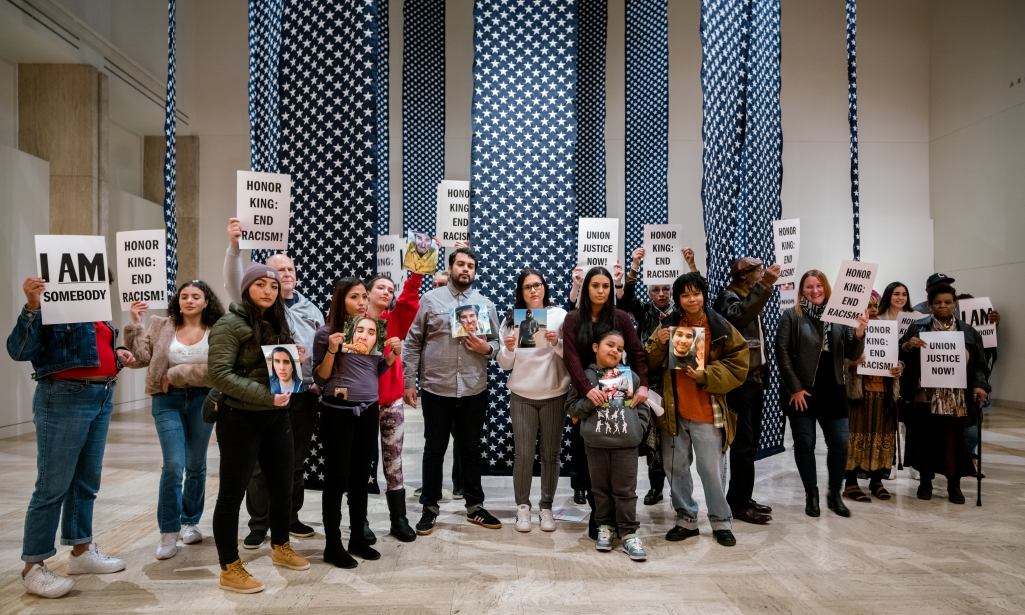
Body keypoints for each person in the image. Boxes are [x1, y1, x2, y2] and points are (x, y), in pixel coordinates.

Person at [8, 277, 135, 598]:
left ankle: (81, 551)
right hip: (63, 397)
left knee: (86, 480)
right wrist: (32, 307)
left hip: (102, 394)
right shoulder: (52, 309)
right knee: (52, 483)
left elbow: (91, 350)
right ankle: (33, 566)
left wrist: (116, 353)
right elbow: (19, 350)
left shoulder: (97, 311)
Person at [208, 263, 309, 593]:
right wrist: (267, 396)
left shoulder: (278, 321)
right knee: (232, 494)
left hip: (276, 418)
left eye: (274, 286)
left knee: (282, 487)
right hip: (240, 419)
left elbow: (278, 369)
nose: (268, 291)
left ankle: (280, 546)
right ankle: (229, 566)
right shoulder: (229, 324)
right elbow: (221, 375)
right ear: (247, 287)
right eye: (261, 284)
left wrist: (296, 361)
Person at [225, 219, 324, 547]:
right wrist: (235, 247)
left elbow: (321, 349)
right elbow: (233, 279)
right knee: (258, 462)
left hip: (303, 395)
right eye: (279, 270)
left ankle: (290, 517)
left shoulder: (311, 309)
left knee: (295, 460)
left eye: (291, 269)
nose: (287, 274)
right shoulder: (258, 307)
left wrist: (316, 380)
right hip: (263, 394)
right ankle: (258, 523)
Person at [404, 247, 503, 534]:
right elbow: (412, 344)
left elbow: (499, 346)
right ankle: (429, 507)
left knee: (470, 450)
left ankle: (475, 506)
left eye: (471, 265)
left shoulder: (484, 304)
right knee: (434, 449)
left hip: (474, 389)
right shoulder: (430, 300)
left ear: (475, 271)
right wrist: (410, 382)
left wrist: (488, 348)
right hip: (437, 389)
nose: (465, 269)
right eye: (460, 264)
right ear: (450, 268)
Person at [646, 272, 748, 547]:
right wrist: (660, 342)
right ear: (678, 300)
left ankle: (720, 521)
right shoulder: (667, 325)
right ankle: (686, 519)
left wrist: (706, 374)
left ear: (703, 295)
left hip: (708, 412)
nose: (691, 299)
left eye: (696, 293)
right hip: (673, 413)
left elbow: (739, 363)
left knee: (711, 471)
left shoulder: (721, 326)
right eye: (685, 295)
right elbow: (648, 361)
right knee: (675, 470)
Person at [124, 280, 225, 560]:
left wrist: (180, 373)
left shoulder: (217, 329)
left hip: (204, 400)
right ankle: (168, 530)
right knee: (173, 464)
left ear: (207, 302)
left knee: (195, 464)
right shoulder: (162, 325)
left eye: (196, 296)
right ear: (177, 301)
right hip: (166, 401)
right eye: (184, 296)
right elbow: (143, 358)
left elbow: (218, 370)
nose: (189, 301)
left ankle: (190, 521)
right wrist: (136, 324)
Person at [314, 278, 401, 567]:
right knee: (337, 478)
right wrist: (331, 349)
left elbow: (372, 370)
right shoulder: (327, 332)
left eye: (365, 296)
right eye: (355, 297)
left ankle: (357, 538)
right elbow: (320, 378)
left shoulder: (367, 330)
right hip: (337, 411)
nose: (363, 301)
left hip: (368, 410)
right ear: (341, 300)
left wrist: (391, 356)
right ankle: (332, 543)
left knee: (361, 476)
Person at [562, 266, 650, 539]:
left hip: (618, 398)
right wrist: (587, 389)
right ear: (586, 288)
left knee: (621, 468)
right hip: (587, 398)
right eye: (595, 285)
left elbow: (636, 352)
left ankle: (621, 524)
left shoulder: (621, 317)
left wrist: (644, 385)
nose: (601, 291)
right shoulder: (573, 319)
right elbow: (570, 357)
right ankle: (601, 518)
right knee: (589, 463)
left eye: (606, 286)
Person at [776, 270, 868, 519]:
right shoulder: (791, 315)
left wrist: (860, 332)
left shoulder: (842, 316)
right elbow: (782, 353)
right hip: (801, 391)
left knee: (839, 443)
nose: (814, 291)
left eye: (819, 286)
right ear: (801, 290)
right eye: (809, 287)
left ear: (826, 288)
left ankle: (834, 494)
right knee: (805, 443)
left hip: (834, 388)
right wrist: (794, 388)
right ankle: (812, 494)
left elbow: (851, 352)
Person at [899, 284, 990, 504]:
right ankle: (926, 481)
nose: (943, 306)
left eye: (948, 302)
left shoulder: (968, 331)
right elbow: (900, 355)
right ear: (929, 305)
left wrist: (980, 385)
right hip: (925, 395)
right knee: (926, 439)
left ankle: (954, 484)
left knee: (953, 441)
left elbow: (979, 363)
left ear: (955, 304)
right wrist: (908, 346)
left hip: (956, 396)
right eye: (938, 302)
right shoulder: (918, 327)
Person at [566, 330, 651, 560]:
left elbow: (643, 407)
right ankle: (605, 526)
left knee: (625, 491)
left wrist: (638, 429)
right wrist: (590, 402)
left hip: (626, 443)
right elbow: (571, 407)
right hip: (595, 443)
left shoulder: (631, 376)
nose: (615, 351)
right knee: (600, 490)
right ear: (595, 347)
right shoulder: (585, 377)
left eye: (620, 348)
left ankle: (629, 533)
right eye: (610, 345)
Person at [497, 269, 569, 532]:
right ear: (521, 292)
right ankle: (522, 508)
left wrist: (557, 342)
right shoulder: (511, 320)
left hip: (554, 395)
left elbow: (569, 355)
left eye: (537, 285)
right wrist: (508, 347)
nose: (533, 290)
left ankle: (546, 508)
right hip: (522, 397)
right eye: (527, 287)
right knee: (524, 455)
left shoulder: (560, 316)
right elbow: (504, 364)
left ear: (545, 287)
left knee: (551, 455)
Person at [713, 257, 779, 525]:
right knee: (742, 446)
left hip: (755, 379)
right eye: (757, 271)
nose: (762, 273)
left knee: (750, 445)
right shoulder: (728, 297)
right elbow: (739, 318)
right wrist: (764, 286)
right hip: (740, 382)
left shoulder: (749, 294)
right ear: (743, 275)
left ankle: (741, 496)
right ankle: (738, 504)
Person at [365, 272, 423, 543]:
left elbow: (410, 300)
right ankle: (360, 519)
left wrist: (419, 269)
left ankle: (398, 519)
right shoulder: (356, 323)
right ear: (367, 292)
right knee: (363, 462)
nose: (387, 292)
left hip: (391, 402)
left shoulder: (394, 321)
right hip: (362, 403)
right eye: (381, 287)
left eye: (391, 289)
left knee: (393, 461)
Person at [843, 292, 904, 502]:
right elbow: (842, 359)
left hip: (884, 392)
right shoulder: (850, 329)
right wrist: (853, 361)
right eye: (868, 305)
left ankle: (877, 481)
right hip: (859, 393)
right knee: (856, 437)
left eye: (875, 305)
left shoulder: (888, 329)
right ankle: (850, 484)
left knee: (881, 437)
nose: (873, 309)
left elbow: (898, 357)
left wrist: (899, 367)